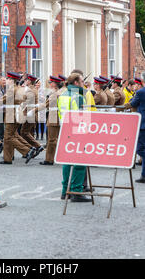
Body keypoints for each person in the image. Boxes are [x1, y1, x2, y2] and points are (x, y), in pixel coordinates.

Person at [0, 71, 36, 165]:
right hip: (17, 113)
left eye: (7, 79)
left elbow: (2, 100)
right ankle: (8, 158)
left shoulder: (12, 89)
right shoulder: (20, 88)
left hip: (12, 114)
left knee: (8, 136)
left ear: (11, 80)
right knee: (9, 136)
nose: (6, 80)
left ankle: (27, 151)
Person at [58, 73, 92, 202]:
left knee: (67, 162)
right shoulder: (78, 97)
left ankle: (65, 191)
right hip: (77, 131)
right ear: (76, 83)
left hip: (65, 130)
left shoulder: (63, 95)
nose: (83, 83)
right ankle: (76, 191)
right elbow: (84, 118)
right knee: (80, 162)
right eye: (82, 81)